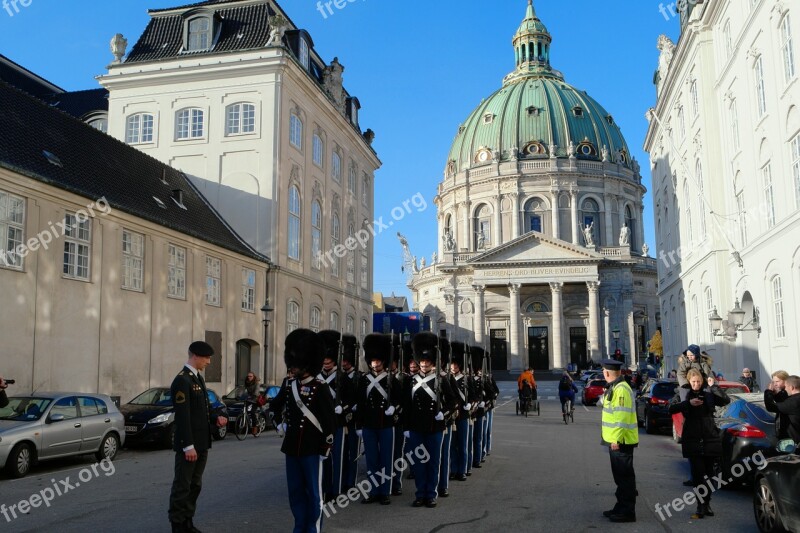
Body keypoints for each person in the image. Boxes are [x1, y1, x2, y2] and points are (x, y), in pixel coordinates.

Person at [269, 329, 336, 533]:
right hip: (292, 448)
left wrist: (325, 447)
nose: (292, 367)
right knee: (296, 492)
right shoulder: (290, 385)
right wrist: (279, 423)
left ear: (307, 364)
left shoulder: (320, 387)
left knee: (314, 495)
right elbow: (275, 406)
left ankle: (313, 529)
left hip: (312, 449)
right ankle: (299, 527)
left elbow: (329, 422)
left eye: (296, 364)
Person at [168, 341, 228, 533]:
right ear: (195, 356)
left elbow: (202, 409)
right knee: (182, 486)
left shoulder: (198, 379)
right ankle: (177, 525)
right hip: (190, 445)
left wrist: (215, 417)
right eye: (206, 358)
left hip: (201, 443)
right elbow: (183, 416)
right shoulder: (182, 380)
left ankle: (188, 522)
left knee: (195, 485)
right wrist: (188, 446)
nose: (209, 362)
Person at [403, 332, 457, 508]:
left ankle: (431, 494)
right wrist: (406, 426)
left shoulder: (441, 380)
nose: (424, 364)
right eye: (422, 361)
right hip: (417, 427)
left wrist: (445, 414)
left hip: (435, 426)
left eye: (427, 361)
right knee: (419, 464)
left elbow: (452, 401)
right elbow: (407, 405)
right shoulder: (411, 381)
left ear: (432, 361)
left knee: (433, 462)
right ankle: (420, 494)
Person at [668, 370, 730, 519]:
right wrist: (688, 403)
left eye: (698, 382)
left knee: (710, 475)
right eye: (693, 382)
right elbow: (671, 408)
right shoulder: (684, 393)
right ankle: (700, 505)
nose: (696, 384)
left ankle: (707, 503)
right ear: (689, 381)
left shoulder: (708, 393)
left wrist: (714, 386)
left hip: (709, 437)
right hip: (693, 438)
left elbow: (725, 400)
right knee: (698, 475)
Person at [356, 333, 400, 505]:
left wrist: (393, 407)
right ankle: (373, 491)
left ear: (382, 360)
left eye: (377, 360)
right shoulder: (364, 380)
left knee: (386, 459)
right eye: (372, 360)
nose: (375, 363)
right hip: (369, 425)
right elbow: (360, 403)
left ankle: (385, 491)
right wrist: (359, 425)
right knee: (372, 460)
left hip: (386, 424)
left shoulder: (391, 379)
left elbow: (399, 399)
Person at [317, 330, 356, 502]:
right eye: (324, 360)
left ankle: (336, 489)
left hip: (338, 422)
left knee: (337, 458)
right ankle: (324, 488)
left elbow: (352, 398)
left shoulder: (342, 377)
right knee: (323, 457)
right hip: (321, 422)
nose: (326, 363)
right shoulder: (317, 378)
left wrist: (344, 407)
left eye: (329, 360)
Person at [599, 358, 638, 523]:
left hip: (620, 441)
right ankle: (620, 506)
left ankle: (627, 511)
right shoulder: (615, 387)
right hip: (616, 440)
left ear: (607, 373)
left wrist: (616, 439)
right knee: (620, 477)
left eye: (603, 371)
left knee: (624, 477)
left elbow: (621, 417)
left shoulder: (621, 389)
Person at [448, 349, 475, 482]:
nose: (453, 367)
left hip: (463, 415)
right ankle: (453, 469)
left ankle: (462, 470)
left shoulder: (467, 379)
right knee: (452, 445)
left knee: (463, 444)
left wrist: (470, 403)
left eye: (456, 365)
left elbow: (474, 395)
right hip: (452, 416)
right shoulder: (447, 379)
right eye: (452, 365)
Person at [767, 375, 800, 444]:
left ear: (792, 387)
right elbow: (784, 404)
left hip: (794, 443)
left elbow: (770, 406)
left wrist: (768, 392)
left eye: (786, 387)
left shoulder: (793, 402)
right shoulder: (793, 400)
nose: (785, 389)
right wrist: (776, 395)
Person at [764, 370, 792, 440]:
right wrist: (774, 394)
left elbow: (771, 407)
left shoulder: (788, 393)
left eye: (777, 381)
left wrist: (768, 392)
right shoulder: (783, 392)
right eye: (773, 382)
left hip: (788, 430)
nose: (775, 384)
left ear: (785, 381)